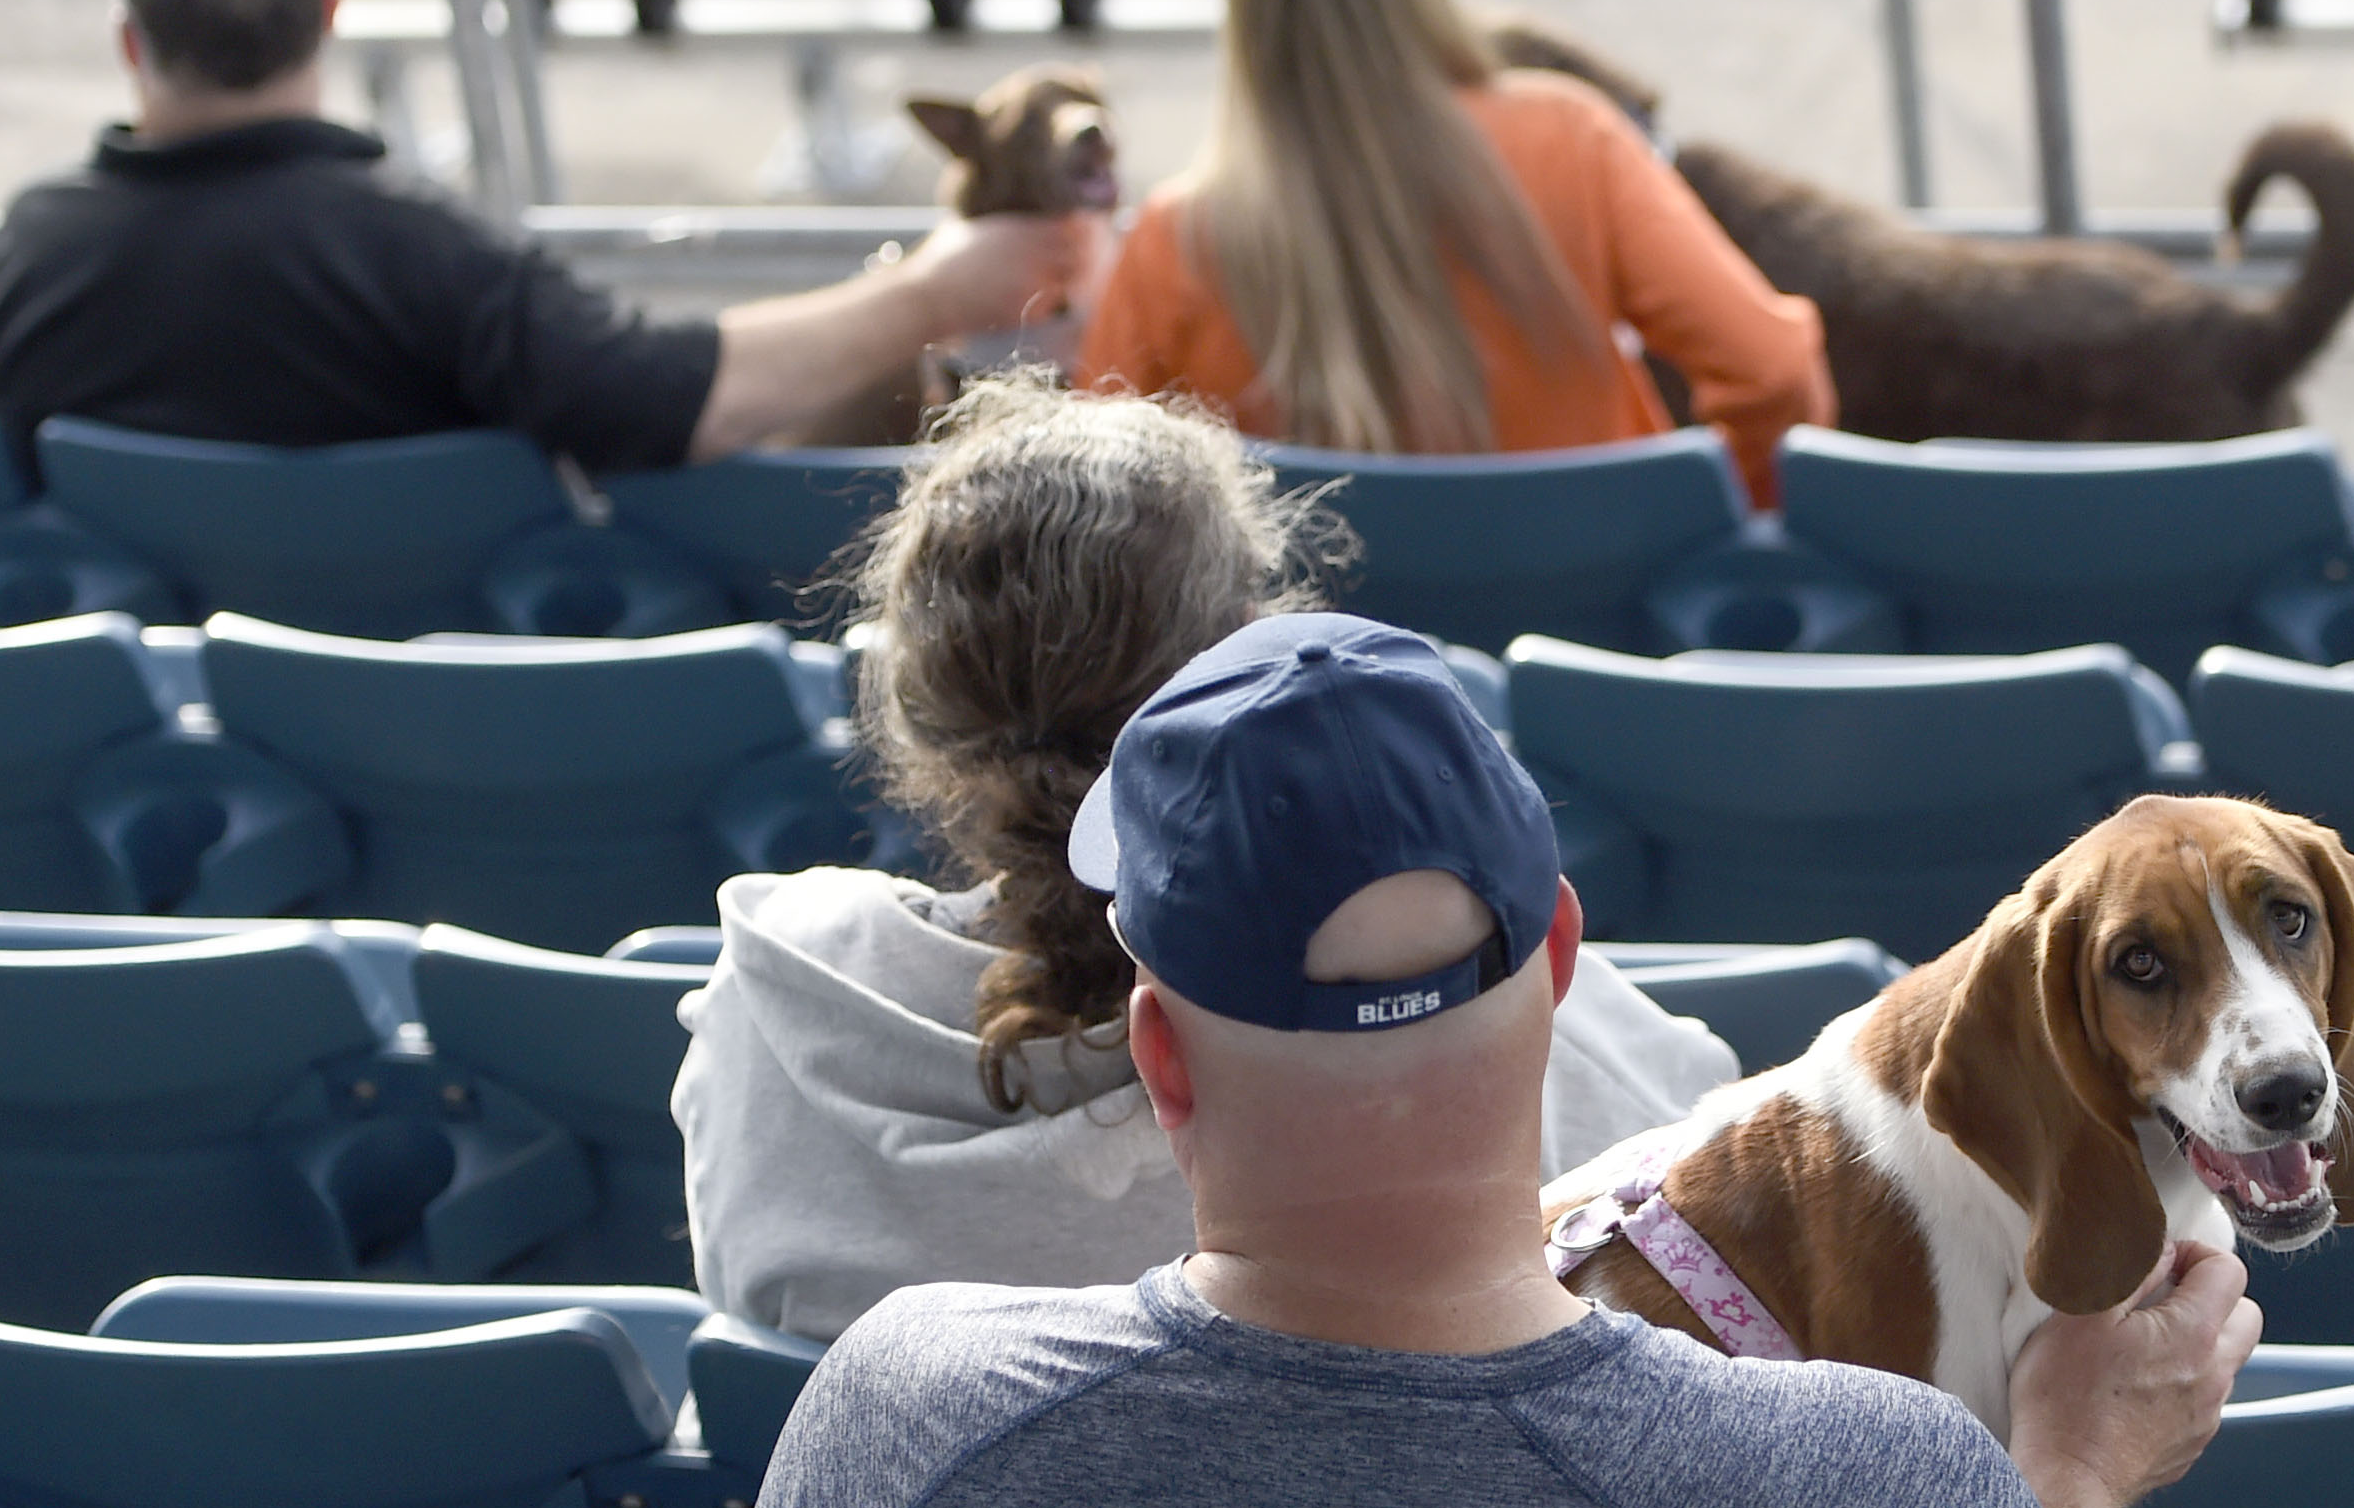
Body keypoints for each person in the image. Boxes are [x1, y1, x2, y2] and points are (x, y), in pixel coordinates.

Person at [735, 613, 2240, 1508]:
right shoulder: (1893, 1507)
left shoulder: (883, 1426)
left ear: (1163, 1058)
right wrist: (2073, 1489)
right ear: (1563, 958)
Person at [676, 379, 1740, 1345]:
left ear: (915, 704)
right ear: (1245, 649)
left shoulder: (766, 1013)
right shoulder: (1481, 1006)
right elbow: (1707, 1168)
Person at [0, 0, 1094, 481]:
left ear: (131, 40)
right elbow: (678, 401)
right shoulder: (415, 255)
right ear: (327, 11)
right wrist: (937, 291)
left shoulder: (27, 258)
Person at [1073, 0, 1838, 504]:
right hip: (1596, 630)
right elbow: (1770, 371)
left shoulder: (1177, 239)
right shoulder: (1569, 138)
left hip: (1318, 660)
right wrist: (1719, 519)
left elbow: (1098, 488)